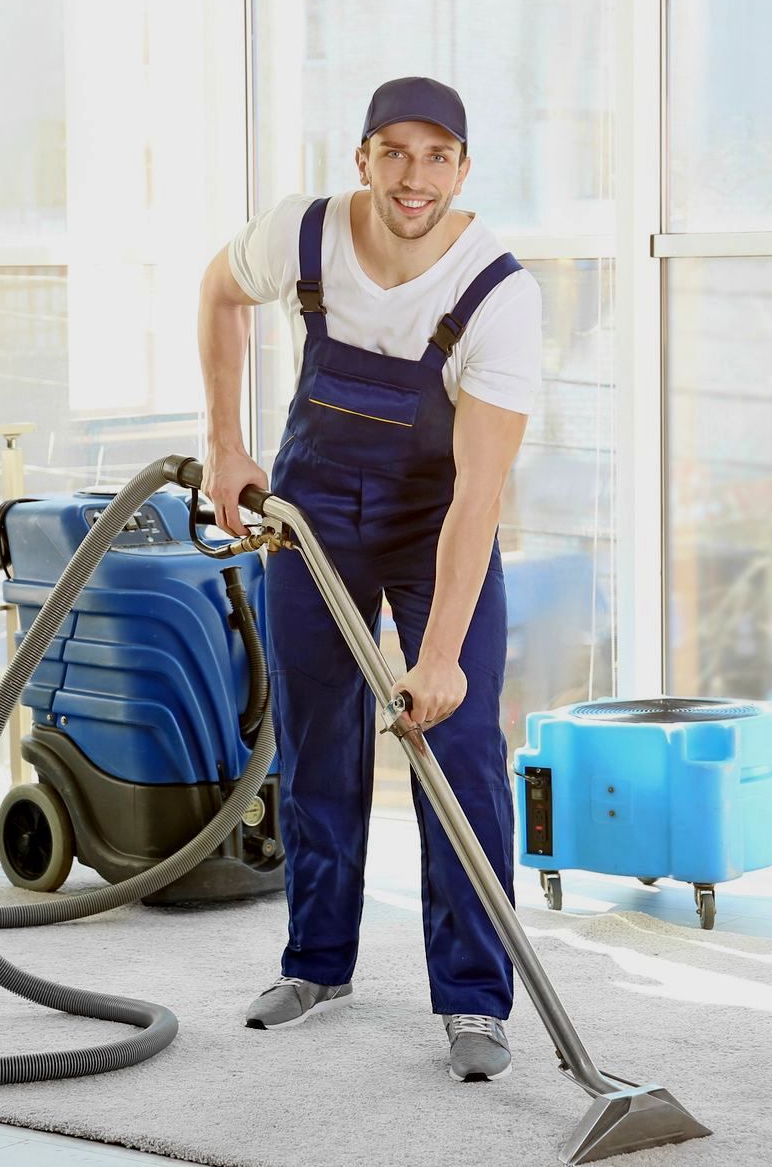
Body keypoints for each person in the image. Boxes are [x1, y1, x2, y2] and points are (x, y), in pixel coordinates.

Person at [195, 76, 541, 1082]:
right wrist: (226, 444)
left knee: (461, 751)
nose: (413, 176)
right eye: (394, 152)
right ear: (363, 158)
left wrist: (440, 660)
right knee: (317, 737)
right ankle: (316, 963)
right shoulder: (303, 234)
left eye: (437, 157)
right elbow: (218, 292)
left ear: (463, 171)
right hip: (312, 513)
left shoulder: (496, 292)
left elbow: (479, 493)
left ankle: (474, 999)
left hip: (438, 528)